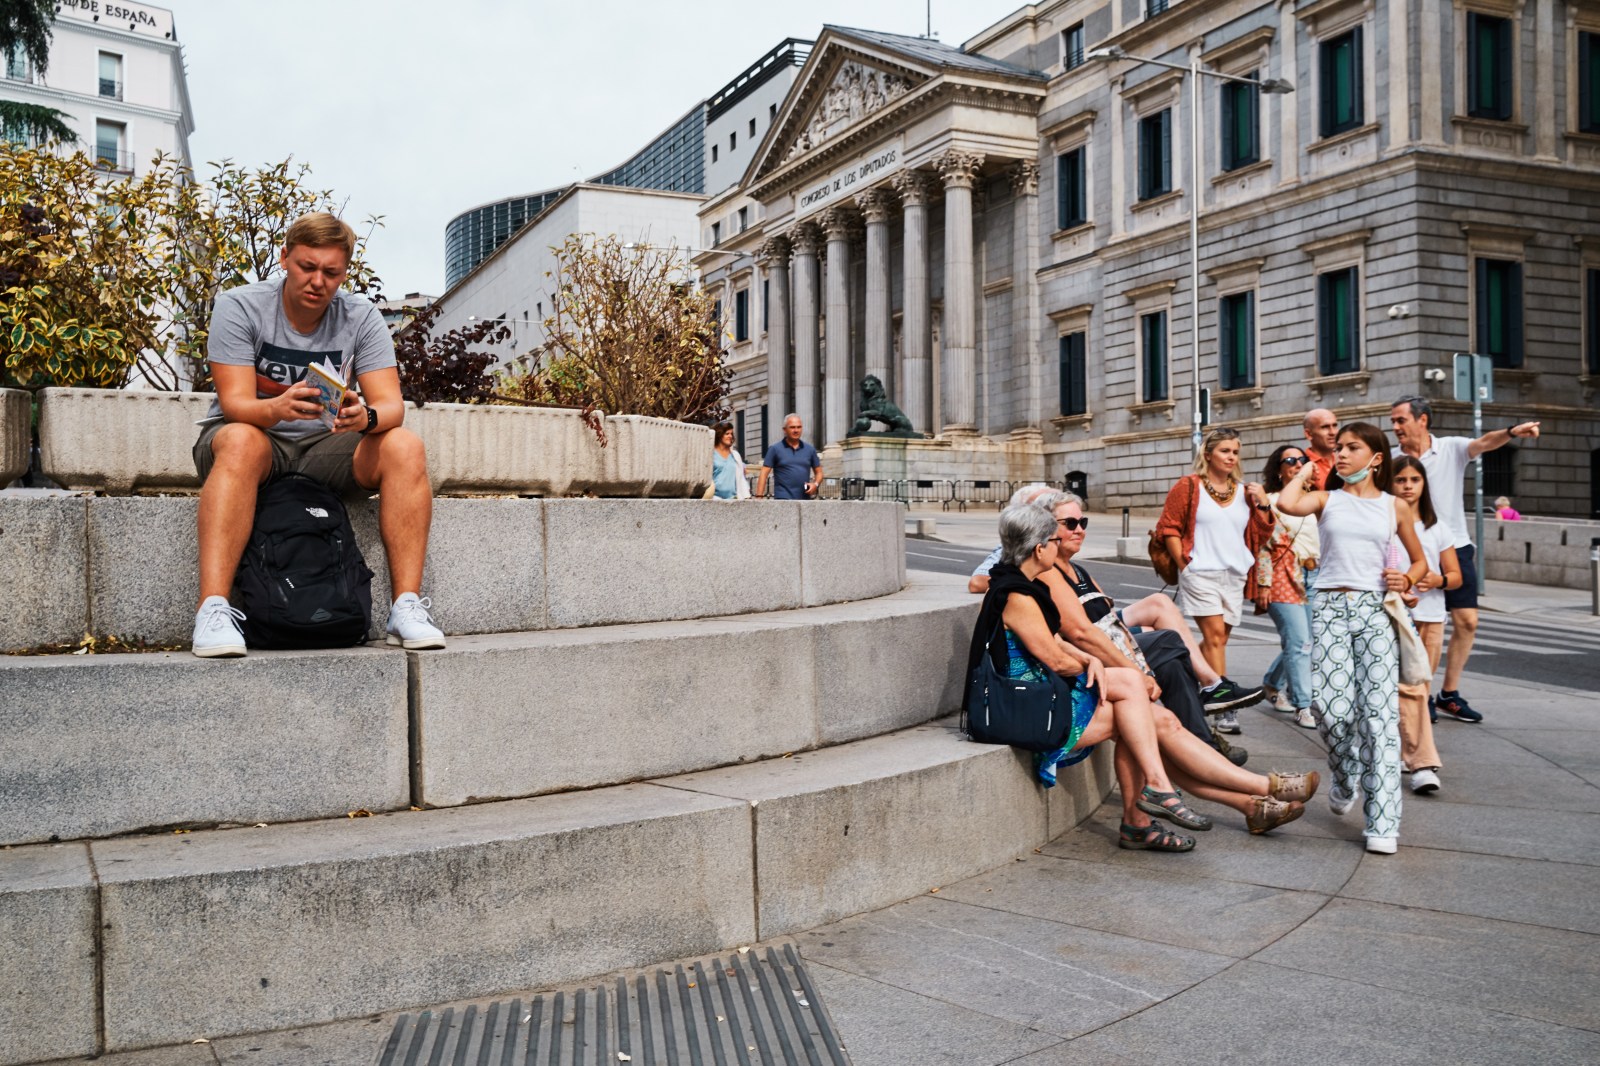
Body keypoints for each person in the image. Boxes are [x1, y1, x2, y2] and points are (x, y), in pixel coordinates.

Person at [966, 507, 1309, 850]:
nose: (1063, 541)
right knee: (1143, 710)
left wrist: (1089, 661)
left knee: (1151, 717)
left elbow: (1055, 641)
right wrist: (1093, 666)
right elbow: (1056, 658)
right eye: (1056, 538)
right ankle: (1238, 792)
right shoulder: (1017, 595)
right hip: (1027, 711)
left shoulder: (1019, 584)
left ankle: (1203, 802)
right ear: (1040, 549)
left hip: (1039, 699)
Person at [190, 212, 444, 658]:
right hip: (252, 440)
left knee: (404, 445)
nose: (318, 282)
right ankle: (213, 609)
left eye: (331, 272)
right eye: (307, 267)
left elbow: (391, 407)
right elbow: (234, 404)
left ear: (344, 273)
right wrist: (277, 407)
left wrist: (362, 417)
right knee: (243, 439)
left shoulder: (360, 316)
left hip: (325, 449)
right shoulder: (240, 305)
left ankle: (405, 608)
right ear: (285, 258)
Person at [1278, 421, 1429, 855]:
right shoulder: (1328, 500)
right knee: (1330, 706)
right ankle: (1346, 773)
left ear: (1376, 458)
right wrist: (1310, 469)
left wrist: (1406, 578)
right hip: (1328, 607)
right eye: (1339, 448)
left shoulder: (1392, 507)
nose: (1341, 454)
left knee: (1380, 718)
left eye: (1352, 448)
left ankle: (1383, 822)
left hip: (1375, 612)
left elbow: (1418, 562)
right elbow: (1288, 503)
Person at [1039, 492, 1250, 767]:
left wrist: (1138, 656)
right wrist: (1137, 670)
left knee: (1172, 660)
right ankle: (1204, 743)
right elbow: (1080, 635)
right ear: (1046, 527)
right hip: (1092, 661)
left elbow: (1112, 622)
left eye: (1083, 522)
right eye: (1069, 523)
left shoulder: (1078, 570)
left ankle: (1200, 745)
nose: (1079, 530)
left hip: (1110, 645)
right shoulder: (1048, 571)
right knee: (1168, 642)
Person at [1391, 396, 1540, 724]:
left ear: (1422, 420)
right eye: (1394, 421)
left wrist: (1513, 431)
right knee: (1421, 626)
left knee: (1467, 621)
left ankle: (1448, 694)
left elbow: (1486, 442)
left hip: (1455, 545)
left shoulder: (1451, 448)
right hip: (1412, 547)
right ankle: (1422, 694)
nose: (1396, 427)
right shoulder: (1393, 460)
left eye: (1401, 420)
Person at [1155, 427, 1276, 736]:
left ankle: (1185, 671)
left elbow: (1262, 535)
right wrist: (1185, 564)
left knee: (1218, 640)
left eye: (1235, 451)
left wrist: (1262, 502)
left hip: (1234, 574)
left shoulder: (1244, 491)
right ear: (1208, 454)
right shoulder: (1188, 487)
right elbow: (1168, 528)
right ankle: (1224, 708)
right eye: (1224, 451)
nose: (1231, 456)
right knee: (1215, 638)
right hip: (1201, 572)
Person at [1391, 456, 1462, 794]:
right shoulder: (1384, 520)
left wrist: (1437, 579)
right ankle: (1421, 762)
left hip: (1431, 617)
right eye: (1401, 479)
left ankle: (1403, 751)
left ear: (1424, 485)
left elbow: (1457, 577)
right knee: (1411, 689)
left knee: (1418, 688)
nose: (1407, 486)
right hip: (1395, 614)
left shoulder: (1438, 527)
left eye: (1414, 480)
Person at [1254, 445, 1321, 730]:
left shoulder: (1318, 500)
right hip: (1283, 576)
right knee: (1299, 642)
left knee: (1305, 641)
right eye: (1289, 460)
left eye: (1301, 460)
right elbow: (1263, 545)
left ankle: (1272, 683)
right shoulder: (1269, 500)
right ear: (1278, 469)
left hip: (1316, 577)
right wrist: (1263, 584)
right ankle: (1303, 705)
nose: (1296, 464)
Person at [756, 414, 822, 500]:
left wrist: (815, 484)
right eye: (792, 427)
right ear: (784, 430)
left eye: (799, 427)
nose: (796, 430)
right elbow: (764, 473)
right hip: (782, 500)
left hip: (804, 500)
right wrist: (759, 496)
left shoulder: (810, 450)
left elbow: (819, 472)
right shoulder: (774, 449)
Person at [710, 421, 749, 500]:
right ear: (720, 435)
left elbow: (741, 478)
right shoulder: (710, 454)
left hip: (733, 499)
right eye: (727, 434)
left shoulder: (735, 455)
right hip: (714, 499)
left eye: (731, 434)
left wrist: (746, 496)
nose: (730, 436)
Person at [1303, 408, 1338, 489]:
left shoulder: (1344, 459)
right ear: (1308, 434)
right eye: (1325, 427)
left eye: (1335, 425)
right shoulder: (1300, 464)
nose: (1333, 432)